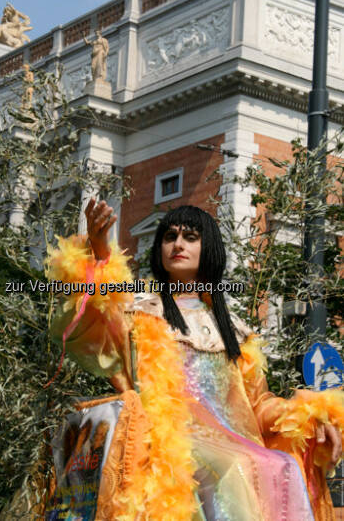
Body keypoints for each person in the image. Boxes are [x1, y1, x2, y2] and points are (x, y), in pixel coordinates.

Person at [45, 199, 343, 521]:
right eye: (170, 236)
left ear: (209, 248)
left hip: (236, 444)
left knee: (281, 465)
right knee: (232, 467)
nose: (177, 244)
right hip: (166, 445)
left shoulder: (235, 332)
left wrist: (307, 418)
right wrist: (101, 253)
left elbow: (256, 405)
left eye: (190, 237)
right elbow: (91, 317)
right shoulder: (140, 312)